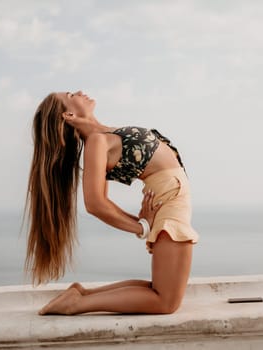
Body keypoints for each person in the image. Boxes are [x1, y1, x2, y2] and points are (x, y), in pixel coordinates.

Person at [24, 90, 199, 315]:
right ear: (68, 115)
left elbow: (101, 199)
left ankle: (81, 295)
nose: (79, 92)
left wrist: (142, 222)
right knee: (165, 302)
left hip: (170, 202)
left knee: (160, 291)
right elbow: (95, 202)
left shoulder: (101, 135)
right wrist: (141, 226)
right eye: (70, 94)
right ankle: (76, 304)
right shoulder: (96, 142)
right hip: (170, 206)